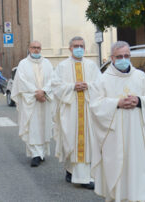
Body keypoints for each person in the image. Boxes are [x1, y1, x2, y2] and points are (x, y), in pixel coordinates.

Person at [90, 41, 145, 202]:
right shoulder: (102, 80)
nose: (123, 59)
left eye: (127, 56)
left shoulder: (141, 77)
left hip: (137, 136)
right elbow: (95, 105)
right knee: (117, 169)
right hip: (115, 138)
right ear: (112, 58)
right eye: (119, 56)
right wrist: (116, 103)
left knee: (139, 169)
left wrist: (140, 101)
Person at [53, 36, 101, 189]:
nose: (79, 48)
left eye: (81, 45)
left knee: (88, 143)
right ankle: (70, 169)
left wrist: (88, 85)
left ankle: (85, 177)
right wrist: (72, 86)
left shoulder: (92, 66)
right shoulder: (62, 66)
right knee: (70, 142)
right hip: (70, 109)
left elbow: (101, 85)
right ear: (70, 48)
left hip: (88, 109)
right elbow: (55, 85)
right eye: (75, 45)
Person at [11, 41, 55, 167]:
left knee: (44, 126)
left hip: (44, 100)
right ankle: (35, 154)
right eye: (34, 48)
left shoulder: (47, 63)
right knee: (32, 127)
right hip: (30, 101)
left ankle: (43, 152)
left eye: (38, 48)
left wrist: (44, 92)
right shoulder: (23, 64)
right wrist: (35, 93)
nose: (36, 50)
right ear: (29, 48)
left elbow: (52, 79)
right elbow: (21, 81)